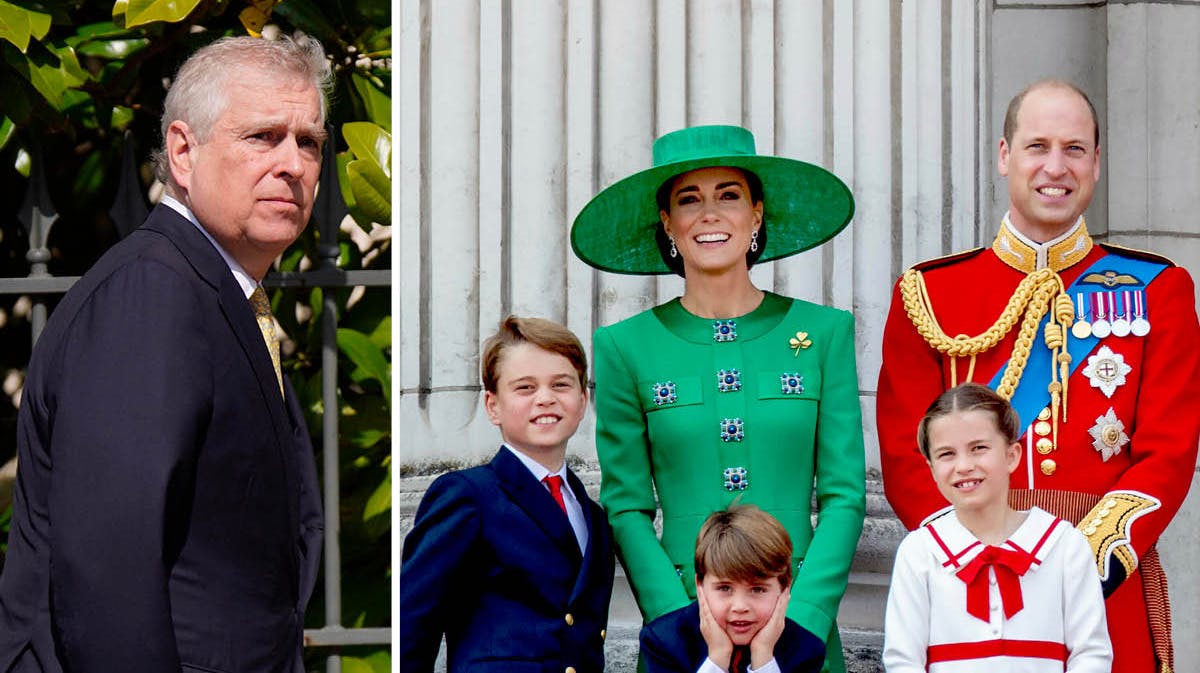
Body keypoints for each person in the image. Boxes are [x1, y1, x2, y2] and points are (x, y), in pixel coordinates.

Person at [0, 36, 328, 671]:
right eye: (263, 136)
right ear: (183, 150)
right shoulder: (151, 295)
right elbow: (107, 570)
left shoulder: (210, 289)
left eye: (309, 141)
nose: (293, 163)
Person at [876, 78, 1200, 673]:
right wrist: (976, 550)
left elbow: (1170, 451)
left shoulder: (1158, 289)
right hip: (969, 577)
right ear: (1004, 156)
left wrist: (1078, 560)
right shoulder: (929, 292)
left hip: (1105, 574)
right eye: (1037, 146)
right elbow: (906, 452)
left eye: (1075, 148)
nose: (1057, 166)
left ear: (1096, 163)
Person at [572, 124, 866, 673]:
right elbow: (627, 507)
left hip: (799, 630)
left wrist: (800, 618)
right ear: (668, 223)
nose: (710, 214)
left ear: (756, 214)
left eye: (728, 196)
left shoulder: (823, 332)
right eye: (689, 200)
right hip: (683, 635)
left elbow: (845, 496)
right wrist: (679, 623)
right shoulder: (623, 347)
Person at [399, 316, 615, 673]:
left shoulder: (594, 517)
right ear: (492, 405)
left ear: (583, 398)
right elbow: (413, 624)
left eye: (561, 384)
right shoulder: (468, 496)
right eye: (525, 388)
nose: (545, 399)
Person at [882, 383, 1111, 672]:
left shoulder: (1064, 545)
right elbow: (903, 661)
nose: (963, 465)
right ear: (930, 468)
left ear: (1012, 455)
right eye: (946, 454)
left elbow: (1092, 653)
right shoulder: (919, 552)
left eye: (979, 448)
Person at [641, 504, 826, 673]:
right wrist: (717, 658)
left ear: (784, 588)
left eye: (758, 589)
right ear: (700, 586)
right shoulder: (664, 641)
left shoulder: (806, 650)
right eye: (724, 588)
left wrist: (763, 658)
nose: (739, 606)